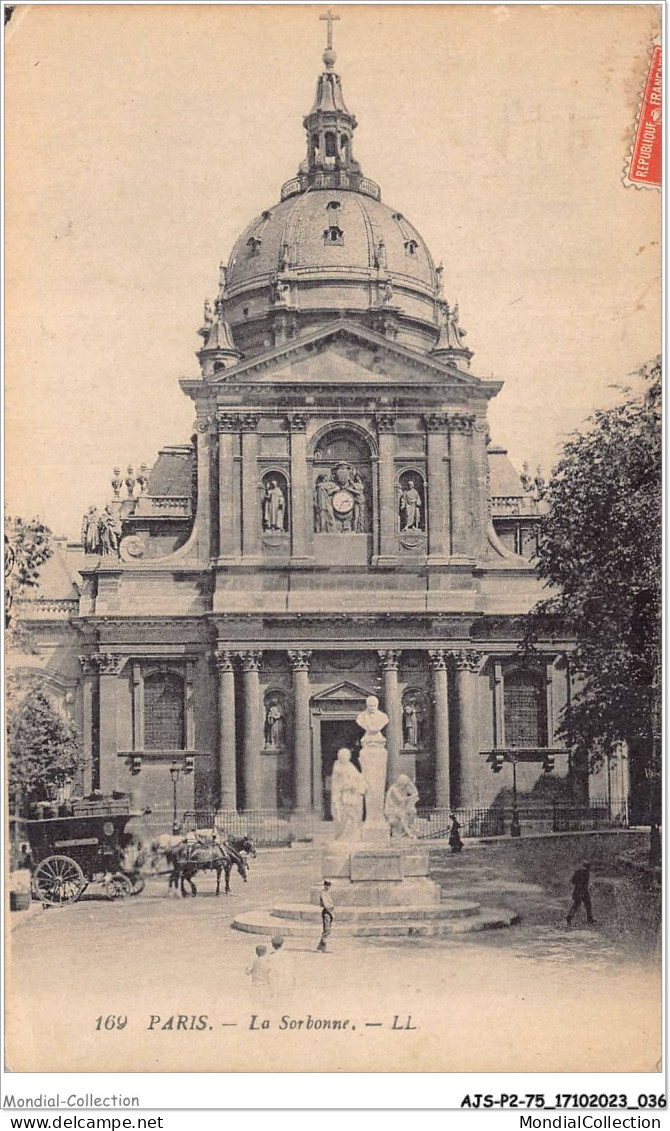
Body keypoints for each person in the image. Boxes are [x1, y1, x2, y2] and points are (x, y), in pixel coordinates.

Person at [330, 748, 366, 839]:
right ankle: (343, 835)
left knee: (353, 816)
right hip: (344, 795)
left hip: (353, 794)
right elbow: (336, 784)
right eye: (343, 756)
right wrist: (348, 785)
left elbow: (358, 777)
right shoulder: (338, 767)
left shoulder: (350, 766)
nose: (346, 758)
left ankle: (352, 835)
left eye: (347, 756)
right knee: (344, 816)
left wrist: (357, 783)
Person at [384, 774, 419, 838]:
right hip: (391, 809)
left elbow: (415, 793)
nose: (405, 786)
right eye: (405, 785)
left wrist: (410, 783)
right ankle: (409, 834)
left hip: (400, 808)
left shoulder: (404, 787)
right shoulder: (394, 788)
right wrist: (411, 796)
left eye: (406, 785)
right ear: (400, 783)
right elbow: (400, 799)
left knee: (413, 811)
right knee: (402, 814)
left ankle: (409, 826)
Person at [567, 861, 594, 925]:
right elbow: (584, 884)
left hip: (577, 891)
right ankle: (589, 919)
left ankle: (569, 917)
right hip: (584, 891)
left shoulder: (577, 872)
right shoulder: (586, 873)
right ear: (588, 867)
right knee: (588, 905)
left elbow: (573, 881)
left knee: (576, 905)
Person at [317, 880, 334, 952]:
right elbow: (325, 904)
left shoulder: (327, 893)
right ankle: (323, 947)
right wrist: (331, 913)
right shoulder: (323, 893)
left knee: (327, 930)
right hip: (327, 912)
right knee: (326, 930)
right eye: (326, 885)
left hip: (330, 911)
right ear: (324, 885)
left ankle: (320, 946)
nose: (328, 887)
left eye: (329, 885)